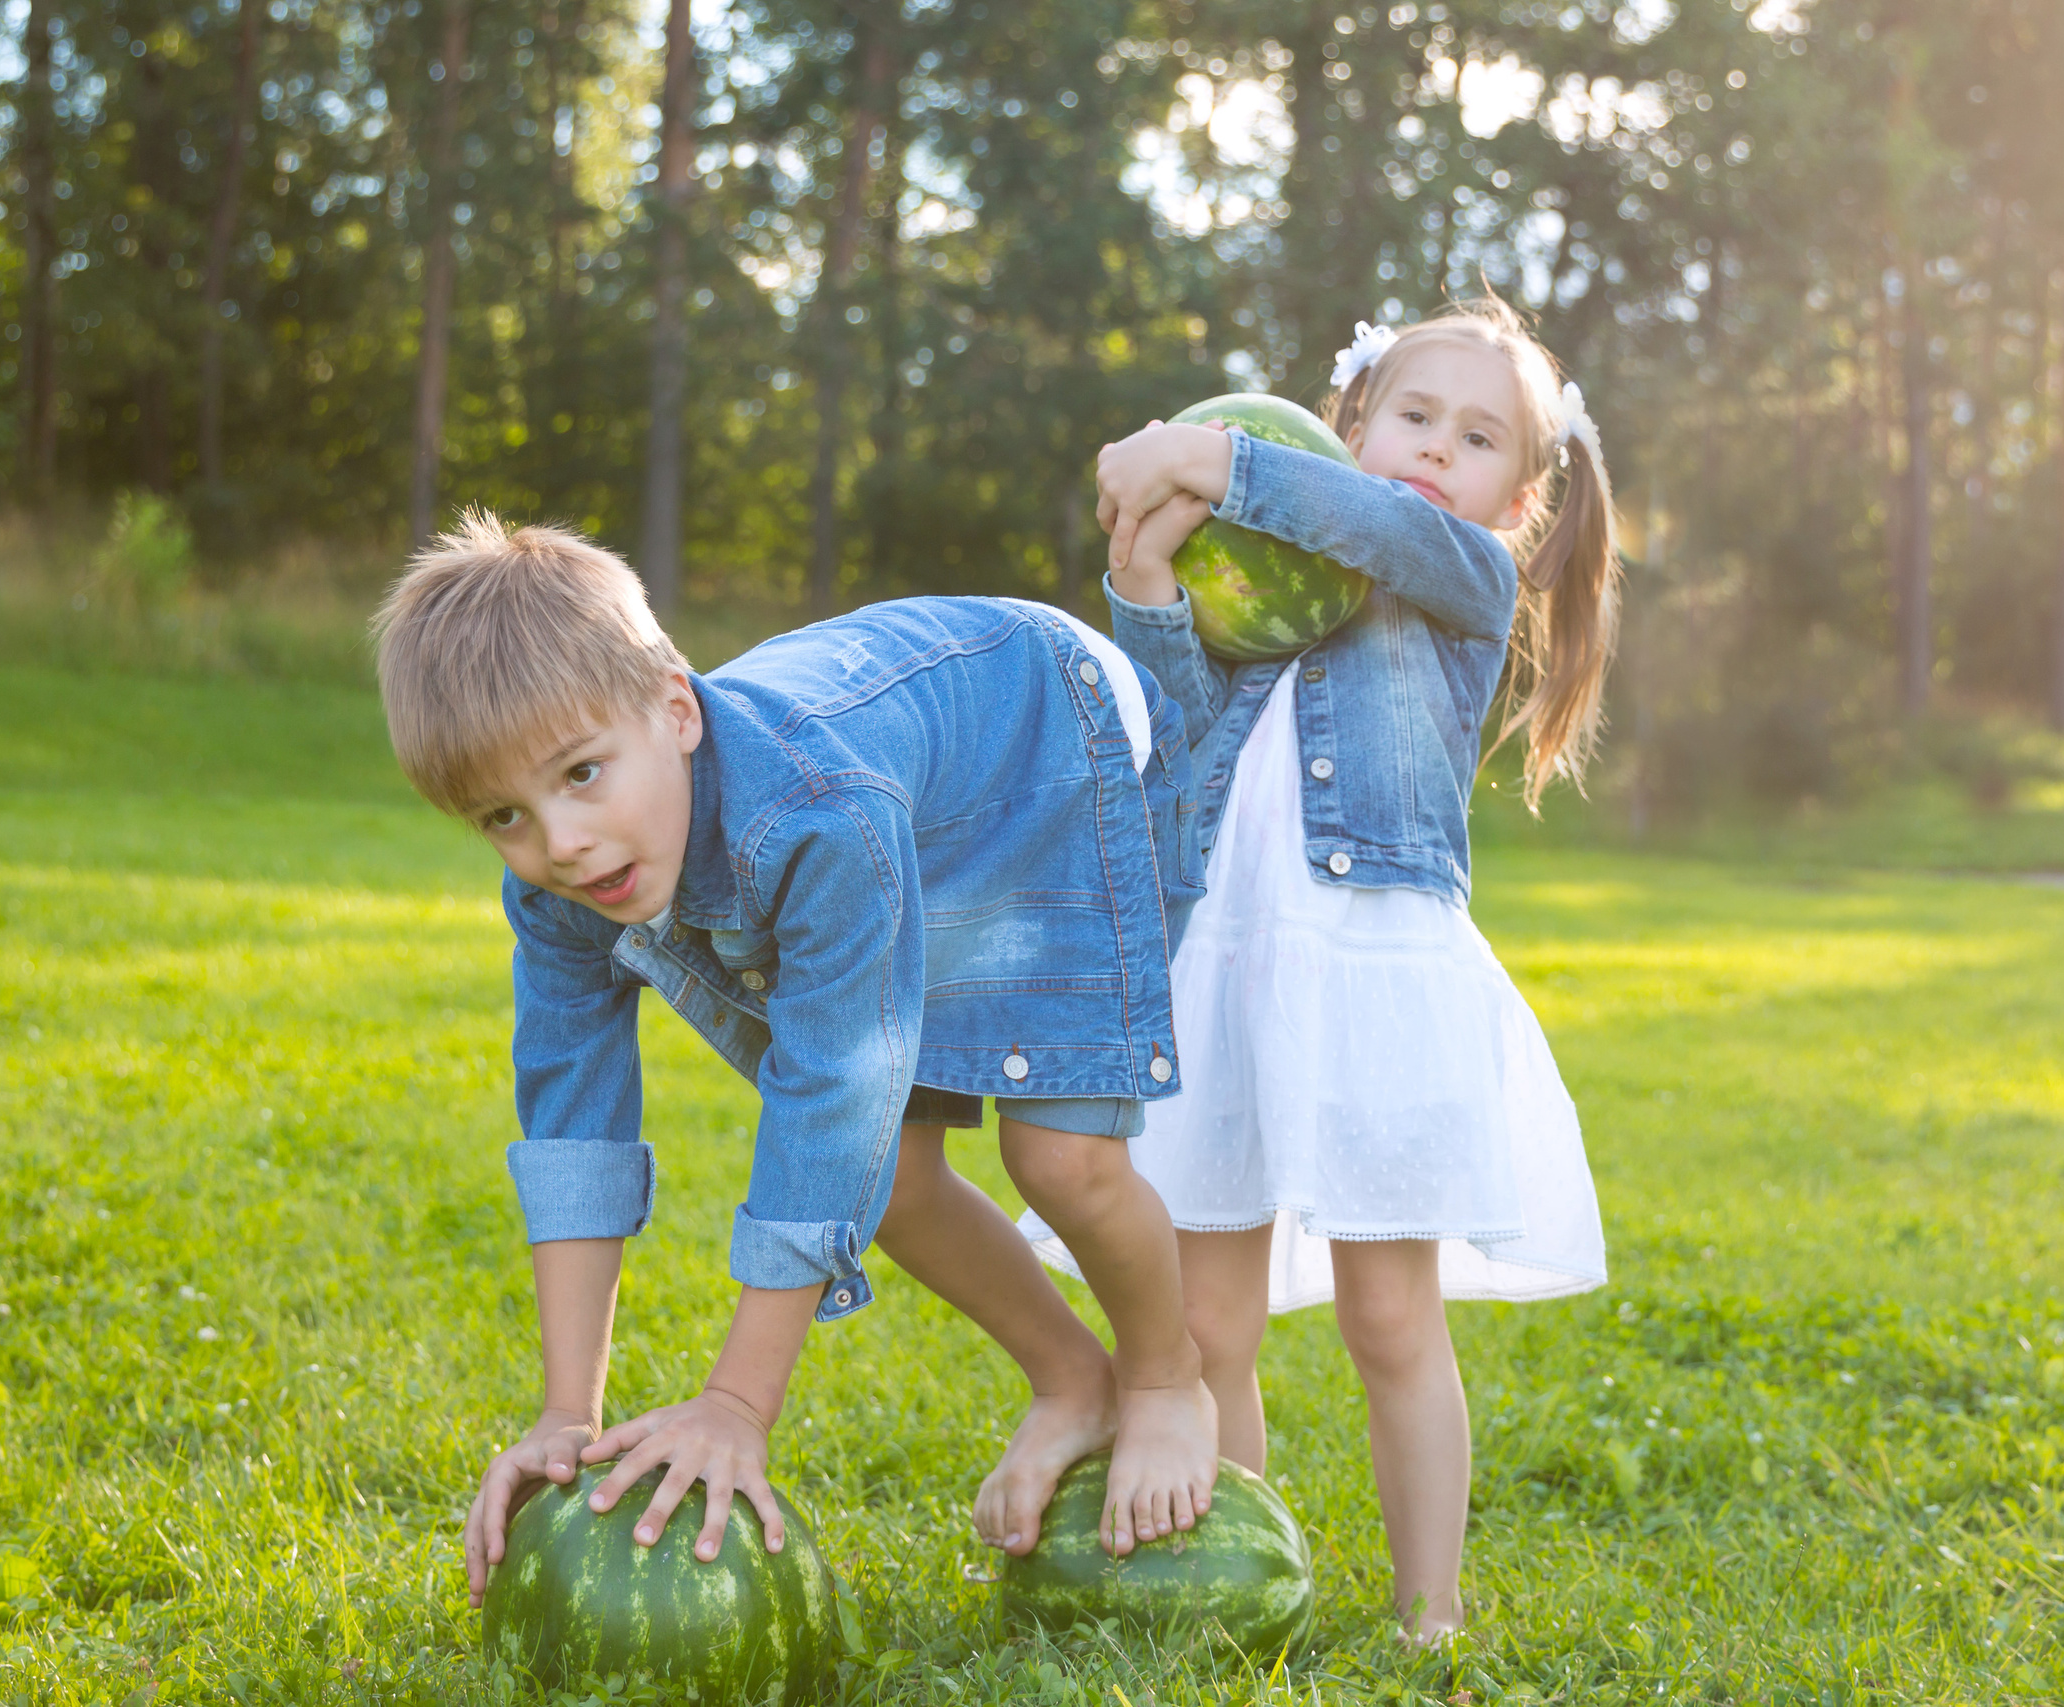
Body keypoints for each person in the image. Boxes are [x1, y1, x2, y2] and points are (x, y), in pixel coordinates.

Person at [369, 516, 1221, 1610]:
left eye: (582, 773)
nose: (561, 843)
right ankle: (1073, 1385)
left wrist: (735, 1405)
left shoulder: (817, 818)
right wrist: (564, 1417)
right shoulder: (555, 892)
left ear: (675, 709)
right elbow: (573, 1127)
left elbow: (832, 1096)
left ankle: (1161, 1376)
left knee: (1061, 1158)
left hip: (1058, 729)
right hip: (921, 786)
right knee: (898, 1181)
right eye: (505, 816)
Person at [1062, 296, 1614, 1637]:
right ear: (1350, 424)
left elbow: (1379, 527)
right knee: (1205, 1326)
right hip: (1226, 975)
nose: (1437, 450)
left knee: (1389, 1315)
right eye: (1412, 418)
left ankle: (1431, 1611)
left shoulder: (1460, 578)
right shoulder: (1268, 583)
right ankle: (1233, 1580)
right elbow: (1175, 712)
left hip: (1376, 985)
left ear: (1518, 497)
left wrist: (1206, 459)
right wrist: (1146, 571)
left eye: (1478, 439)